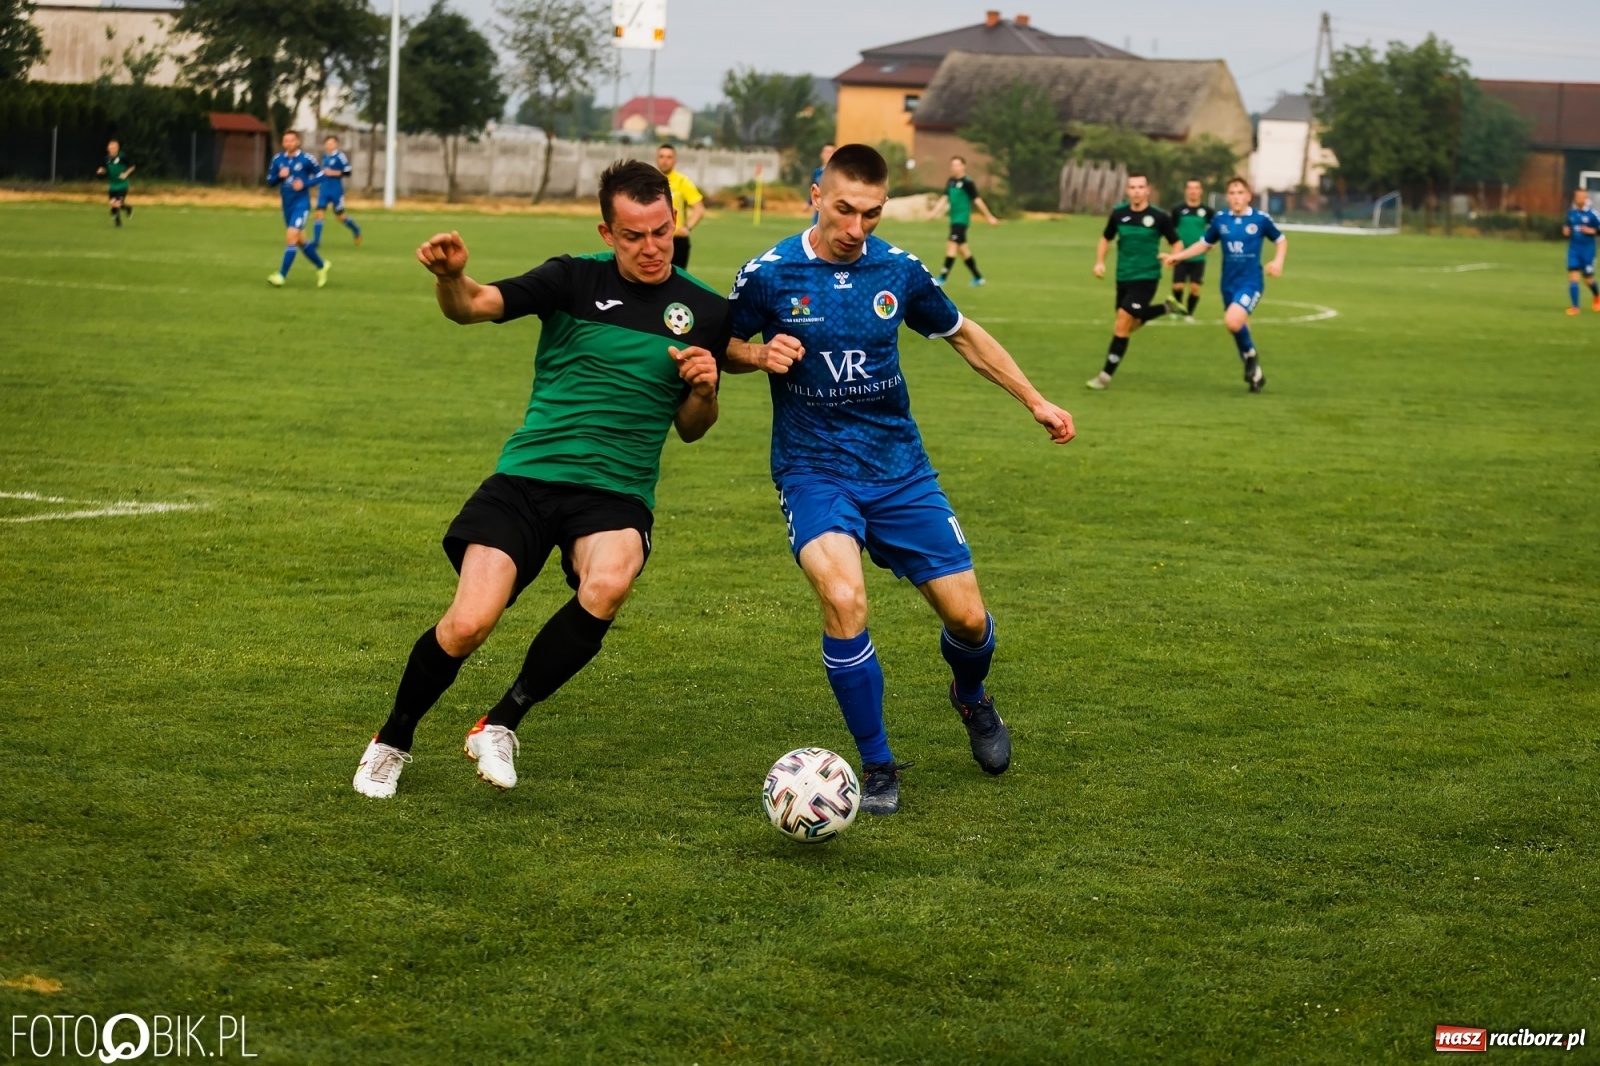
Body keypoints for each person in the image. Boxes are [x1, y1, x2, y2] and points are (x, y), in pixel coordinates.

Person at [352, 160, 726, 799]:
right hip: (527, 479)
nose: (651, 247)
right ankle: (392, 739)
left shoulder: (703, 309)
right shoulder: (571, 278)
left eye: (661, 231)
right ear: (607, 233)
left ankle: (500, 722)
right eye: (633, 236)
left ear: (673, 221)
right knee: (469, 623)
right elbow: (472, 306)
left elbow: (693, 427)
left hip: (616, 492)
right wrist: (452, 277)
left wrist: (704, 389)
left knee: (608, 583)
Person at [724, 144, 1075, 816]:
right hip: (815, 469)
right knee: (845, 599)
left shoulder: (899, 271)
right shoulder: (768, 275)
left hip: (899, 470)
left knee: (969, 620)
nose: (857, 229)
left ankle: (971, 697)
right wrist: (757, 353)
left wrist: (1034, 399)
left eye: (872, 215)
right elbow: (722, 345)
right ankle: (878, 765)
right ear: (817, 195)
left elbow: (964, 334)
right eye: (846, 210)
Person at [1163, 175, 1287, 392]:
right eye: (1232, 193)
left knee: (1232, 322)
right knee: (1239, 327)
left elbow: (1280, 240)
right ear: (1227, 197)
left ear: (1248, 196)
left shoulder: (1260, 219)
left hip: (1250, 282)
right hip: (1228, 283)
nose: (1236, 197)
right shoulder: (1221, 220)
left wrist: (1278, 261)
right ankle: (1256, 374)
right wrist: (1179, 256)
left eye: (1240, 193)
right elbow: (1204, 244)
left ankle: (1251, 357)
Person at [1085, 174, 1182, 390]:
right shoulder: (1119, 213)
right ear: (1128, 191)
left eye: (1141, 187)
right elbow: (1105, 238)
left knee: (1122, 321)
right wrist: (1099, 262)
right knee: (1129, 325)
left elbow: (1176, 242)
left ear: (1148, 190)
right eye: (1132, 187)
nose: (1137, 191)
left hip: (1147, 277)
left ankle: (1104, 376)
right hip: (1123, 277)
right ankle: (1165, 307)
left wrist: (1173, 257)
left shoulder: (1159, 216)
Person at [265, 131, 330, 288]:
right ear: (283, 143)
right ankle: (322, 266)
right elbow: (269, 181)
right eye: (285, 140)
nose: (288, 143)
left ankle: (281, 275)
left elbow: (321, 176)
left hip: (301, 204)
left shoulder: (307, 159)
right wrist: (280, 176)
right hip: (287, 204)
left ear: (298, 142)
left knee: (291, 235)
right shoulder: (278, 160)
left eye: (291, 140)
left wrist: (305, 184)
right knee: (301, 241)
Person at [934, 156, 998, 288]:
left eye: (957, 165)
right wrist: (934, 212)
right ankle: (978, 277)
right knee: (963, 250)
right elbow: (944, 198)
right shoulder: (951, 181)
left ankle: (942, 277)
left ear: (963, 166)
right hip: (953, 219)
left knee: (951, 245)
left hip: (962, 220)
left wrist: (989, 216)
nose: (955, 168)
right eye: (953, 165)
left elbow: (977, 200)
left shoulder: (968, 182)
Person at [1170, 179, 1214, 318]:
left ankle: (1189, 313)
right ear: (1186, 191)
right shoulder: (1178, 210)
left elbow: (1216, 230)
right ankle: (1178, 309)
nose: (1193, 191)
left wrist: (1211, 243)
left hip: (1198, 256)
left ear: (1201, 191)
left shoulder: (1207, 211)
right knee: (1178, 286)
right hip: (1181, 254)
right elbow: (1170, 230)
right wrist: (1173, 245)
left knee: (1195, 288)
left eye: (1196, 188)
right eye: (1190, 188)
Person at [656, 144, 705, 270]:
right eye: (661, 156)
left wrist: (687, 228)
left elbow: (699, 210)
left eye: (669, 157)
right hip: (654, 239)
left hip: (676, 240)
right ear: (656, 159)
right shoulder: (649, 181)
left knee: (676, 282)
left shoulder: (682, 182)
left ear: (675, 160)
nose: (665, 160)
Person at [311, 135, 362, 251]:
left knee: (340, 216)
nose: (329, 145)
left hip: (336, 191)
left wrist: (333, 173)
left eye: (331, 143)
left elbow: (348, 172)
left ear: (336, 144)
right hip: (324, 190)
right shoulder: (324, 157)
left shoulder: (340, 156)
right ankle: (316, 241)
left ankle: (356, 229)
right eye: (327, 143)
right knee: (319, 213)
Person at [1562, 188, 1599, 315]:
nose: (1579, 199)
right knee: (1573, 278)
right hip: (1574, 250)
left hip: (1588, 251)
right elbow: (1567, 226)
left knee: (1588, 279)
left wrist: (1591, 231)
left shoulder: (1592, 214)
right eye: (1577, 196)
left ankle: (1597, 296)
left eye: (1582, 197)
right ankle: (1575, 307)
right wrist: (1566, 231)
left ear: (1586, 198)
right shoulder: (1571, 213)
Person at [96, 140, 134, 227]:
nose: (112, 150)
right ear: (108, 149)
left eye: (114, 148)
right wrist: (100, 172)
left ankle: (118, 223)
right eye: (110, 148)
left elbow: (132, 166)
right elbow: (103, 170)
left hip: (122, 184)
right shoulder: (106, 159)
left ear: (117, 148)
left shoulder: (123, 157)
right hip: (112, 185)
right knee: (113, 204)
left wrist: (125, 174)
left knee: (116, 204)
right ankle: (128, 208)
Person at [810, 143, 835, 225]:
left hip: (832, 208)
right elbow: (814, 188)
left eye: (831, 152)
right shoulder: (817, 172)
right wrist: (809, 203)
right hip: (819, 208)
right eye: (826, 152)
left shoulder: (838, 173)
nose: (828, 154)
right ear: (822, 154)